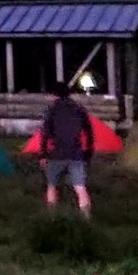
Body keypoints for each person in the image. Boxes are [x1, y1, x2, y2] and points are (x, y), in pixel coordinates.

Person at [36, 80, 96, 217]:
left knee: (52, 186)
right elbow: (89, 131)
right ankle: (86, 218)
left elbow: (45, 133)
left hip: (57, 153)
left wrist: (43, 154)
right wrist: (89, 150)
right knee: (80, 187)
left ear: (54, 95)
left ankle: (52, 218)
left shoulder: (51, 110)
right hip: (76, 153)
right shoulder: (79, 108)